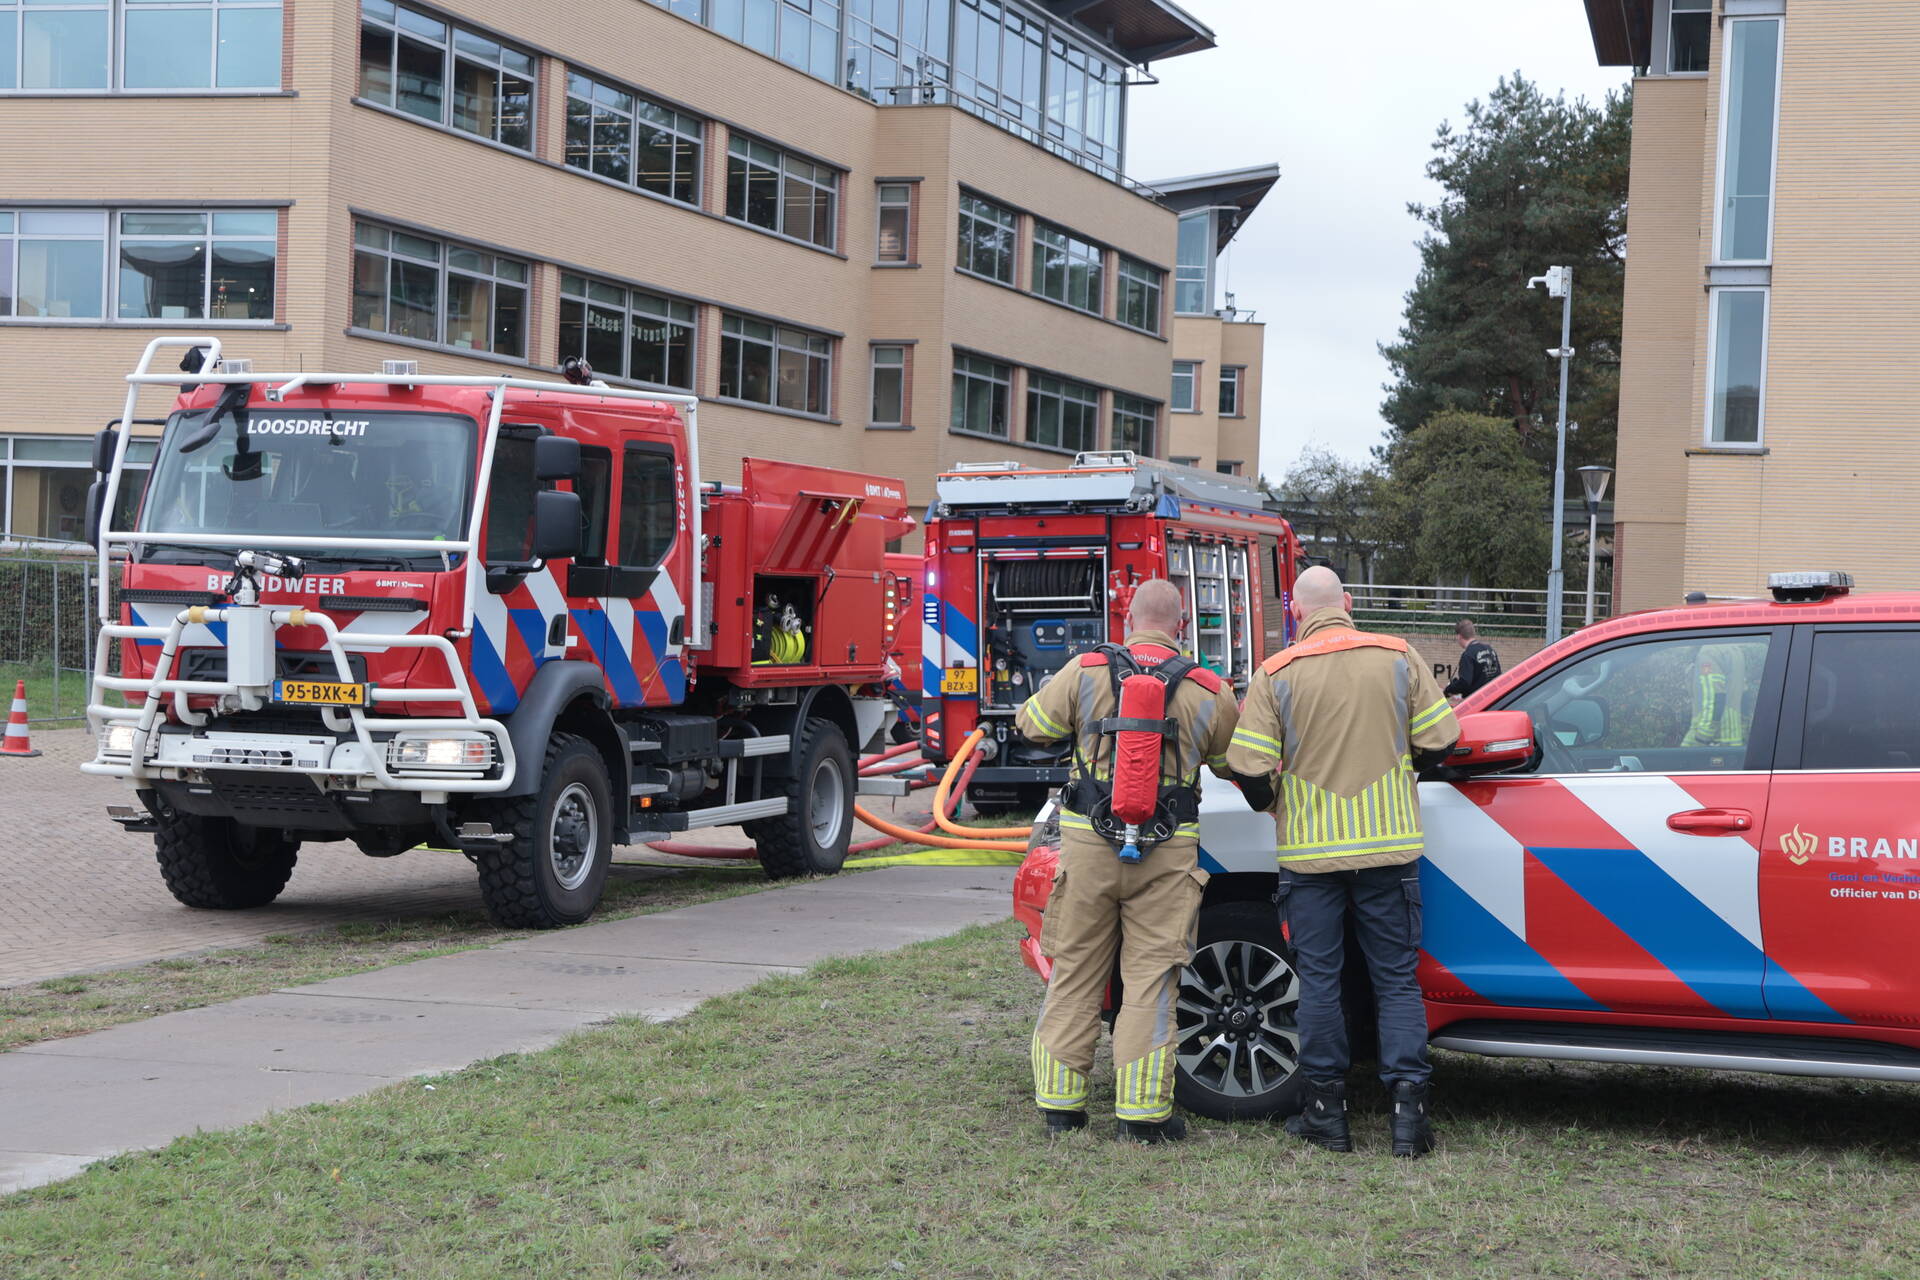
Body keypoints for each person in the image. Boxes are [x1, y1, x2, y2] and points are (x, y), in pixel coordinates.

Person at [1225, 566, 1460, 1158]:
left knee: (1320, 984)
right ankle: (1409, 1117)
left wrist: (1277, 804)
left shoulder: (1276, 672)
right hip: (1388, 848)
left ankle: (1327, 1114)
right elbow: (1442, 739)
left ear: (1296, 612)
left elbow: (1248, 767)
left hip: (1309, 857)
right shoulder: (1398, 656)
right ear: (1348, 603)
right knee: (1396, 981)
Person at [1016, 578, 1240, 1145]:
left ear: (1127, 619)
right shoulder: (1208, 687)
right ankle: (1142, 1117)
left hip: (1088, 848)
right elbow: (1232, 761)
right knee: (1152, 981)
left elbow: (1033, 727)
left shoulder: (1086, 669)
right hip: (1167, 853)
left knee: (1075, 972)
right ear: (1181, 626)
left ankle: (1061, 1108)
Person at [1444, 618, 1502, 704]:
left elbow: (1464, 683)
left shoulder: (1468, 655)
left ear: (1459, 636)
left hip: (1477, 703)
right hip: (1494, 701)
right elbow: (1499, 675)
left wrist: (1448, 690)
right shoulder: (1490, 650)